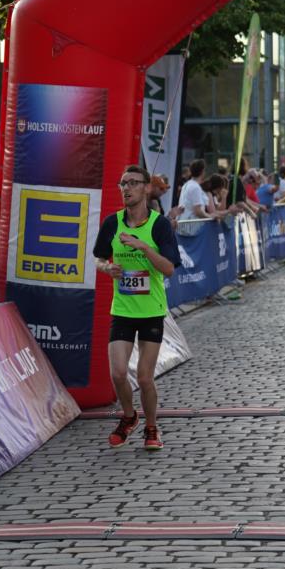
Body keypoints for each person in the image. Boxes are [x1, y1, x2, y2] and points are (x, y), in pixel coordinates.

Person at [93, 165, 181, 451]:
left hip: (151, 310)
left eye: (132, 183)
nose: (126, 188)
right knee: (118, 373)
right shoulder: (112, 222)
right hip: (123, 309)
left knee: (144, 377)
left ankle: (152, 427)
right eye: (122, 183)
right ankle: (129, 418)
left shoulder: (159, 225)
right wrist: (109, 268)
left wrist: (143, 247)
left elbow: (168, 269)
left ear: (146, 188)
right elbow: (97, 259)